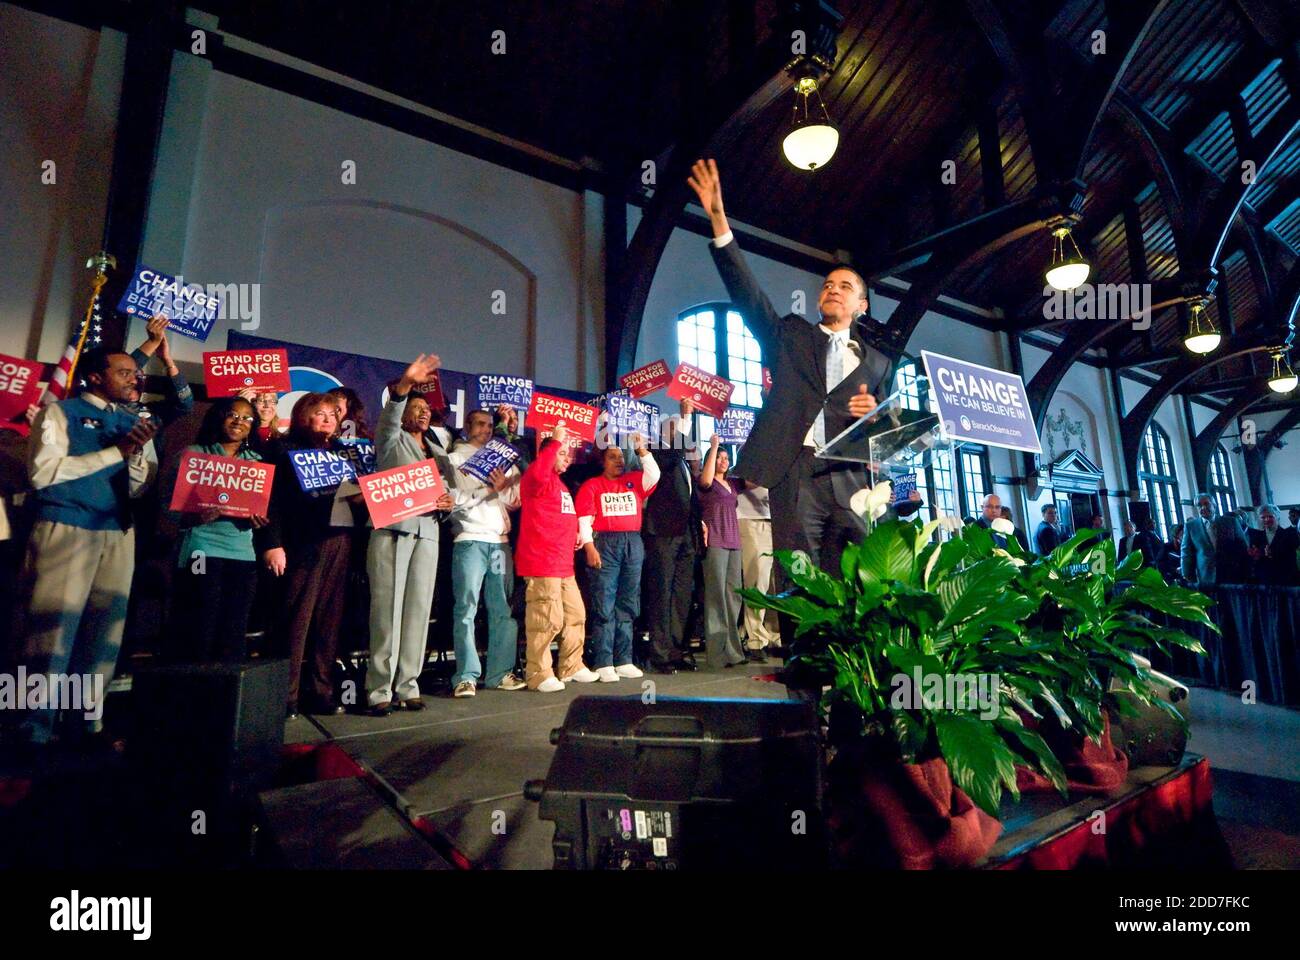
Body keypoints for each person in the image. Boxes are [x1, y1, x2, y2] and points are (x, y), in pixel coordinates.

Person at [687, 158, 890, 590]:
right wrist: (719, 221)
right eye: (827, 285)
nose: (832, 289)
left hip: (853, 476)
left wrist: (875, 416)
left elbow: (887, 429)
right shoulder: (791, 336)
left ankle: (851, 660)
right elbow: (748, 296)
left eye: (845, 287)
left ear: (862, 306)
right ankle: (802, 659)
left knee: (856, 581)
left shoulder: (878, 362)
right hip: (796, 473)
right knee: (798, 580)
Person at [18, 348, 158, 745]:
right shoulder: (61, 412)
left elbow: (137, 486)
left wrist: (132, 460)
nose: (134, 378)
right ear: (95, 377)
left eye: (136, 373)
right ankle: (32, 728)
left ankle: (85, 724)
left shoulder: (131, 422)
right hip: (67, 526)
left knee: (104, 636)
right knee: (51, 635)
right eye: (124, 372)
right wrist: (114, 453)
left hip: (117, 532)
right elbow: (43, 474)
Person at [364, 356, 457, 715]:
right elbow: (390, 415)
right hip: (393, 532)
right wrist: (404, 386)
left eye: (426, 408)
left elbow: (452, 490)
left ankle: (408, 685)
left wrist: (449, 501)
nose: (422, 412)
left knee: (418, 610)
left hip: (428, 532)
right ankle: (379, 689)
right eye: (414, 407)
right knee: (387, 612)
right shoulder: (390, 438)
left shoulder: (437, 451)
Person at [257, 393, 356, 718]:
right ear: (302, 416)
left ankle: (321, 691)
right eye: (319, 413)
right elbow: (270, 499)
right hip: (301, 542)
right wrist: (273, 543)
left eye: (332, 413)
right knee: (295, 622)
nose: (328, 418)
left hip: (339, 540)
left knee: (329, 622)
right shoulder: (282, 450)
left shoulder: (345, 453)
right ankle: (285, 696)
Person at [168, 397, 268, 662]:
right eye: (232, 415)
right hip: (200, 549)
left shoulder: (257, 463)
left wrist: (260, 518)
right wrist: (193, 513)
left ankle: (224, 697)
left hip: (242, 553)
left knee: (234, 629)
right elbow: (170, 507)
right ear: (218, 417)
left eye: (247, 417)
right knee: (201, 623)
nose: (239, 421)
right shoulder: (193, 455)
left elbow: (263, 509)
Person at [447, 408, 526, 697]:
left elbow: (516, 500)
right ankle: (465, 676)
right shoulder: (454, 458)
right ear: (467, 427)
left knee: (502, 609)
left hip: (499, 541)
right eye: (480, 424)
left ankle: (500, 672)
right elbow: (454, 500)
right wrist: (488, 489)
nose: (486, 429)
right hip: (469, 540)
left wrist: (503, 488)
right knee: (466, 609)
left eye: (490, 425)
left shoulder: (504, 458)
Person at [515, 423, 600, 691]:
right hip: (542, 563)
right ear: (548, 453)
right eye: (562, 454)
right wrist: (555, 441)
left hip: (563, 565)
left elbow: (560, 515)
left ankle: (571, 666)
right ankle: (538, 673)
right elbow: (540, 474)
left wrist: (575, 531)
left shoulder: (561, 485)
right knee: (545, 620)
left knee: (576, 615)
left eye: (569, 455)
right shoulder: (535, 476)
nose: (568, 458)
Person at [575, 432, 659, 683]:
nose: (619, 461)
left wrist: (641, 450)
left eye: (621, 457)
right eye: (612, 457)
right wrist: (589, 547)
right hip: (605, 543)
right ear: (602, 461)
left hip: (632, 542)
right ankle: (603, 661)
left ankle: (624, 659)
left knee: (628, 602)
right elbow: (583, 520)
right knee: (604, 602)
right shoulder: (592, 486)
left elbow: (654, 475)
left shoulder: (634, 480)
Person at [641, 399, 703, 674]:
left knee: (682, 595)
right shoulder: (657, 454)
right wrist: (685, 416)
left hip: (686, 535)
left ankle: (676, 650)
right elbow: (675, 449)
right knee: (662, 594)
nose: (675, 430)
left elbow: (689, 498)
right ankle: (660, 655)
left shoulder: (682, 463)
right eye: (670, 427)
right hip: (663, 534)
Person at [697, 433, 748, 670]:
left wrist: (749, 448)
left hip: (734, 541)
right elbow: (706, 481)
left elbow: (756, 479)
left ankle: (733, 651)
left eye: (727, 458)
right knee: (716, 596)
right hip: (716, 540)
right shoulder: (707, 482)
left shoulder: (733, 483)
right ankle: (716, 654)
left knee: (733, 596)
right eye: (719, 458)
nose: (723, 461)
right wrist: (714, 446)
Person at [737, 481, 778, 662]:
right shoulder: (753, 454)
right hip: (752, 519)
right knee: (757, 581)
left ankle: (773, 636)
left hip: (776, 519)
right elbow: (747, 481)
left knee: (774, 585)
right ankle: (755, 639)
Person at [1181, 493, 1248, 589]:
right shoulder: (1191, 526)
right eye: (1199, 505)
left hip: (1231, 574)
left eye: (1206, 504)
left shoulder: (1231, 522)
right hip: (1206, 576)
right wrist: (1187, 575)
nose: (1203, 507)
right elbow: (1186, 552)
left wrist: (1245, 571)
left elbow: (1243, 548)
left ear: (1214, 505)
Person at [1248, 504, 1300, 585]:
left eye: (1270, 516)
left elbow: (1293, 558)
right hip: (1265, 582)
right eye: (1263, 517)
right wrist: (1255, 557)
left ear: (1277, 517)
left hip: (1286, 581)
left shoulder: (1290, 533)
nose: (1266, 519)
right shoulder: (1256, 536)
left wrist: (1273, 554)